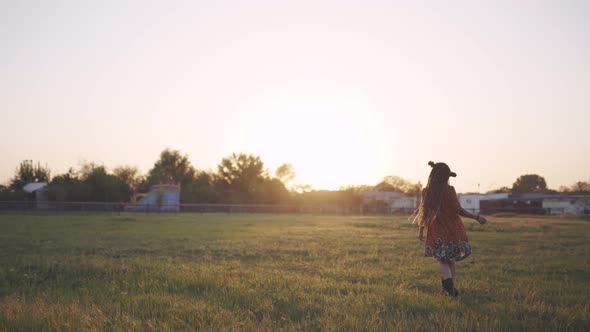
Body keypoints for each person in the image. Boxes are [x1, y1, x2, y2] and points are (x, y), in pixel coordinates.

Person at [413, 161, 488, 297]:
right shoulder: (450, 190)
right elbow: (459, 210)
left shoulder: (426, 192)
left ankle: (449, 289)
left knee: (442, 260)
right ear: (447, 177)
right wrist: (476, 217)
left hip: (437, 230)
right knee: (450, 259)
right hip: (454, 229)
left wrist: (420, 232)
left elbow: (424, 214)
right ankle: (449, 289)